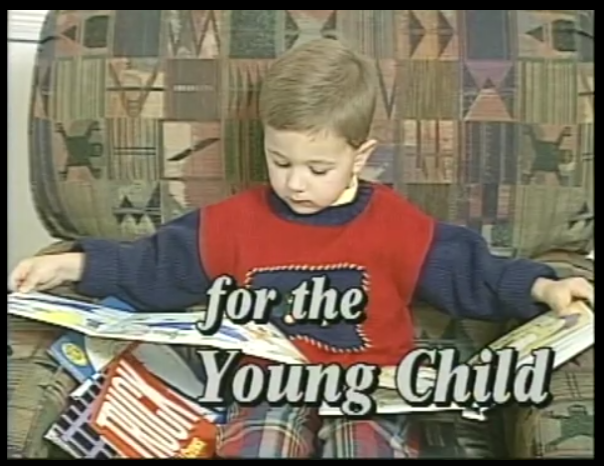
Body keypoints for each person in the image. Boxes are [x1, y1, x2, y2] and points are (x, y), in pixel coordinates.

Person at [9, 38, 593, 459]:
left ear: (360, 156)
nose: (294, 183)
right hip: (266, 385)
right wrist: (71, 263)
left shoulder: (393, 223)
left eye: (318, 167)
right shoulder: (234, 223)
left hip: (368, 387)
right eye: (280, 161)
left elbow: (472, 271)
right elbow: (155, 265)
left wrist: (544, 285)